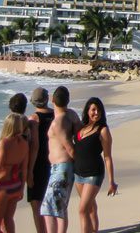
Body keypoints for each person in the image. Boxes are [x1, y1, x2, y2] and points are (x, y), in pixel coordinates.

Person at [0, 93, 38, 231]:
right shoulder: (24, 142)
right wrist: (22, 188)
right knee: (8, 220)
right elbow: (23, 167)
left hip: (0, 185)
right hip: (15, 185)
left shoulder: (5, 143)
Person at [74, 97, 118, 233]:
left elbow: (108, 157)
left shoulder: (103, 130)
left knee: (82, 210)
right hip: (78, 173)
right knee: (91, 208)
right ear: (87, 111)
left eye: (99, 110)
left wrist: (111, 181)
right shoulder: (81, 127)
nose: (96, 113)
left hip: (94, 174)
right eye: (93, 110)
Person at [41, 86, 82, 233]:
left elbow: (70, 147)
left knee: (48, 206)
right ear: (68, 100)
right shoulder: (72, 114)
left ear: (52, 100)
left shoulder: (58, 122)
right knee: (59, 206)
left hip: (62, 167)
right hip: (63, 167)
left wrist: (79, 164)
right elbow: (80, 137)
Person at [27, 88, 54, 233]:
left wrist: (29, 171)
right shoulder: (57, 115)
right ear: (47, 99)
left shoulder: (34, 119)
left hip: (38, 163)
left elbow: (34, 146)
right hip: (55, 161)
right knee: (50, 201)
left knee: (36, 203)